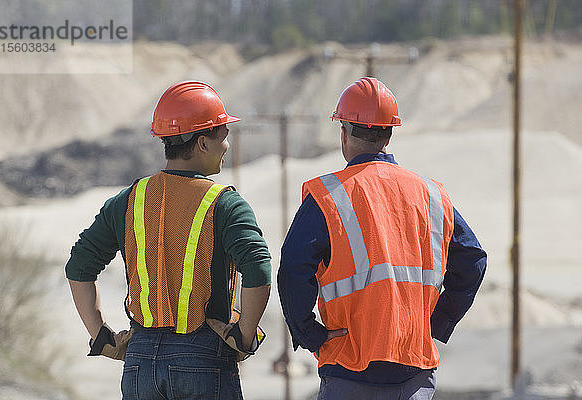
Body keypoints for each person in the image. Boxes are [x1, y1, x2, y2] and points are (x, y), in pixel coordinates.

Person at [278, 77, 486, 400]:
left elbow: (293, 266)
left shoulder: (327, 197)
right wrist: (438, 322)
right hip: (414, 374)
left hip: (348, 369)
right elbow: (473, 259)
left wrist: (310, 333)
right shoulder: (431, 195)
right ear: (389, 135)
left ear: (344, 133)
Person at [66, 81, 271, 400]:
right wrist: (245, 336)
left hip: (140, 363)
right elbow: (258, 270)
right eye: (223, 136)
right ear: (202, 142)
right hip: (204, 359)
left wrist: (101, 337)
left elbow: (79, 266)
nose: (227, 145)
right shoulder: (225, 205)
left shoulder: (129, 201)